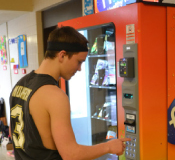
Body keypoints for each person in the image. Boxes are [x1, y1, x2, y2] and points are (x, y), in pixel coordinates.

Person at [10, 26, 130, 160]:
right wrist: (109, 146)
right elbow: (71, 154)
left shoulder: (20, 84)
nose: (79, 69)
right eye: (79, 62)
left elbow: (14, 133)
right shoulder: (54, 95)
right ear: (62, 55)